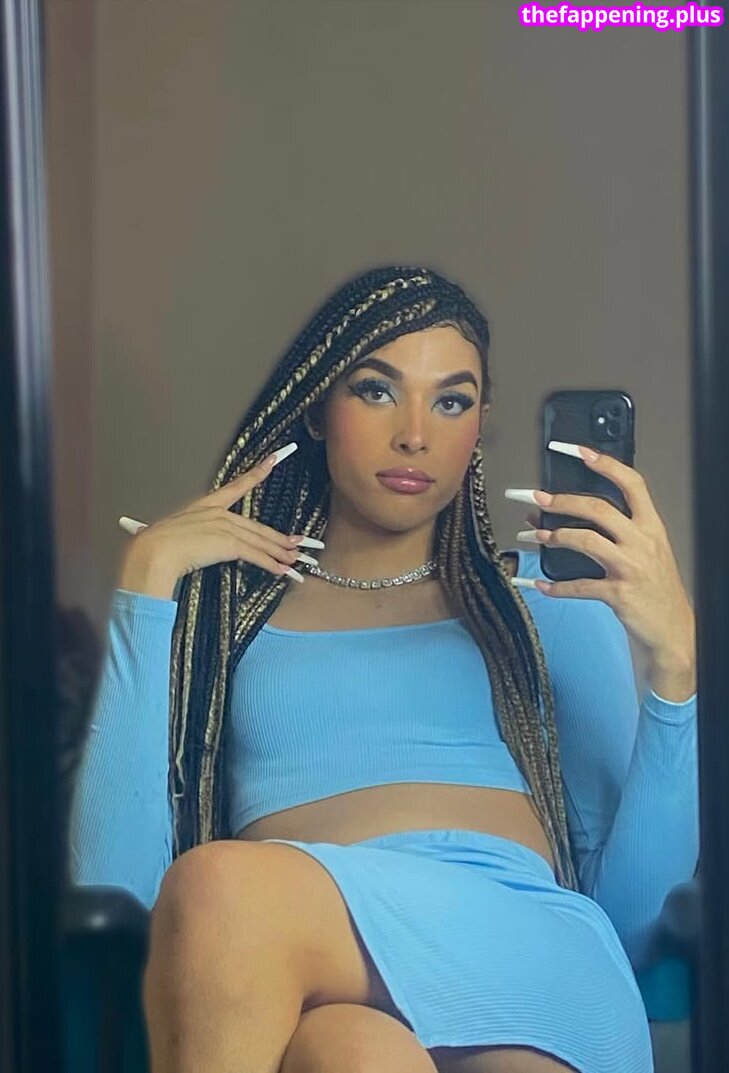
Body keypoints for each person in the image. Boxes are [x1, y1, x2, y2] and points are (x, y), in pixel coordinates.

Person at [69, 266, 698, 1073]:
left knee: (220, 888)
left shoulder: (544, 605)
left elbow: (634, 919)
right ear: (317, 409)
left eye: (451, 401)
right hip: (306, 962)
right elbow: (121, 893)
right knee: (345, 1049)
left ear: (479, 425)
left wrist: (677, 665)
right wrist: (147, 583)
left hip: (526, 955)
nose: (415, 435)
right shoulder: (221, 615)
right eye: (376, 390)